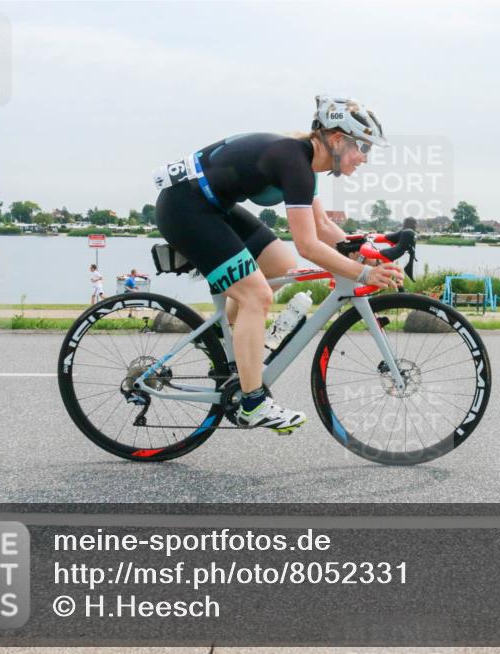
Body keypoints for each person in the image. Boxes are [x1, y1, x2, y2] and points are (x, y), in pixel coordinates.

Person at [153, 95, 402, 433]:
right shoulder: (293, 160)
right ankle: (252, 403)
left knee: (285, 268)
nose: (364, 159)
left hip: (211, 206)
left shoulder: (307, 164)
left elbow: (324, 229)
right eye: (364, 148)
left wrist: (360, 249)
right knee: (256, 296)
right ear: (339, 140)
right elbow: (309, 245)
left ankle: (218, 336)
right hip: (186, 208)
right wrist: (364, 272)